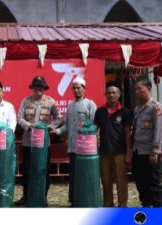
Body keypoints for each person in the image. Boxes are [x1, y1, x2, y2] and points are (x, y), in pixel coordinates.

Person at [16, 76, 62, 206]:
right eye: (36, 87)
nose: (38, 90)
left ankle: (43, 197)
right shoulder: (26, 101)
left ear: (44, 88)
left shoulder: (51, 102)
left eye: (41, 87)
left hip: (43, 144)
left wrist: (49, 128)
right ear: (33, 88)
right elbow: (19, 117)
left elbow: (58, 118)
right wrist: (28, 126)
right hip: (28, 142)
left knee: (43, 170)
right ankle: (26, 196)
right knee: (27, 170)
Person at [55, 77, 97, 206]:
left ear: (84, 89)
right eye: (74, 88)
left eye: (79, 87)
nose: (76, 90)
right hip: (73, 147)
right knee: (74, 175)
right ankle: (74, 200)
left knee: (85, 175)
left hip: (86, 148)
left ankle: (85, 200)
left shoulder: (90, 104)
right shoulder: (71, 106)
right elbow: (66, 126)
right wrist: (55, 131)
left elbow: (94, 125)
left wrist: (85, 127)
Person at [94, 82, 132, 207]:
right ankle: (108, 205)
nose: (111, 95)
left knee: (121, 182)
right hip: (104, 152)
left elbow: (127, 134)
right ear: (105, 94)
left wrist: (128, 152)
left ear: (119, 94)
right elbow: (94, 129)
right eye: (109, 93)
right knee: (106, 181)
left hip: (120, 153)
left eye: (114, 92)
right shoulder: (99, 112)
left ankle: (122, 206)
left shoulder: (125, 112)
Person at [132, 78, 162, 207]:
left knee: (154, 186)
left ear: (149, 89)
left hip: (150, 153)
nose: (137, 92)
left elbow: (159, 130)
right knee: (141, 184)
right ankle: (146, 211)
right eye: (135, 89)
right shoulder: (137, 109)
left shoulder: (155, 107)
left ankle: (159, 215)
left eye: (140, 88)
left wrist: (155, 151)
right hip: (138, 152)